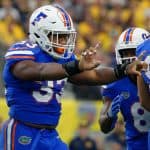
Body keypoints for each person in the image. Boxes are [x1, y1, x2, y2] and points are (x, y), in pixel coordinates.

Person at [0, 4, 145, 150]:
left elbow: (95, 75)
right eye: (59, 36)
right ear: (41, 33)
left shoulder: (63, 60)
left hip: (50, 134)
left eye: (66, 37)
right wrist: (75, 66)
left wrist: (124, 69)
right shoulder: (24, 51)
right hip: (22, 130)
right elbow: (39, 70)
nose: (64, 42)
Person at [99, 27, 150, 150]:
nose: (129, 58)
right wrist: (110, 115)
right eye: (125, 53)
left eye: (133, 52)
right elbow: (104, 127)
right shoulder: (115, 83)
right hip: (136, 146)